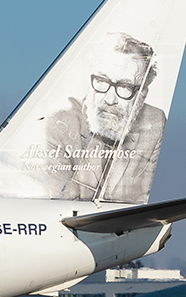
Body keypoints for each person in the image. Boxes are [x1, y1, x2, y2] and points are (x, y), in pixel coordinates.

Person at [42, 32, 166, 202]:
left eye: (124, 87)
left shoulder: (154, 123)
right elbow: (62, 201)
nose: (109, 99)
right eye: (101, 81)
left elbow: (140, 201)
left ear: (142, 94)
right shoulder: (61, 120)